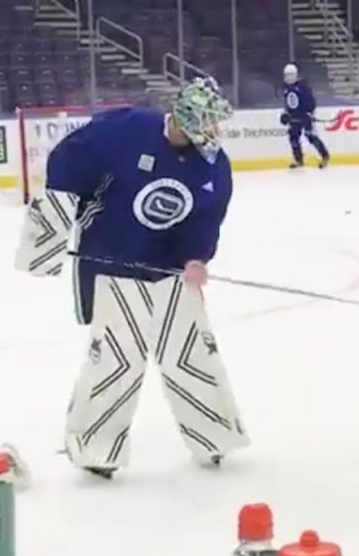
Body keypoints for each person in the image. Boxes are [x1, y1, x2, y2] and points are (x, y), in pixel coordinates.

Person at [16, 76, 250, 478]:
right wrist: (50, 233)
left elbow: (209, 214)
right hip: (112, 263)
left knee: (193, 351)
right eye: (210, 122)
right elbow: (66, 167)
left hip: (172, 269)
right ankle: (96, 450)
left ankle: (214, 436)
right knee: (117, 359)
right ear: (188, 119)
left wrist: (197, 257)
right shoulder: (123, 131)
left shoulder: (214, 165)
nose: (216, 131)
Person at [280, 63, 330, 169]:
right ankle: (299, 160)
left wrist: (309, 113)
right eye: (286, 75)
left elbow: (311, 102)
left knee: (310, 136)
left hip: (304, 116)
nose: (288, 77)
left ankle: (324, 156)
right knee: (293, 137)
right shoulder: (286, 88)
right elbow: (288, 104)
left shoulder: (302, 87)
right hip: (294, 117)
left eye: (290, 75)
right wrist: (285, 114)